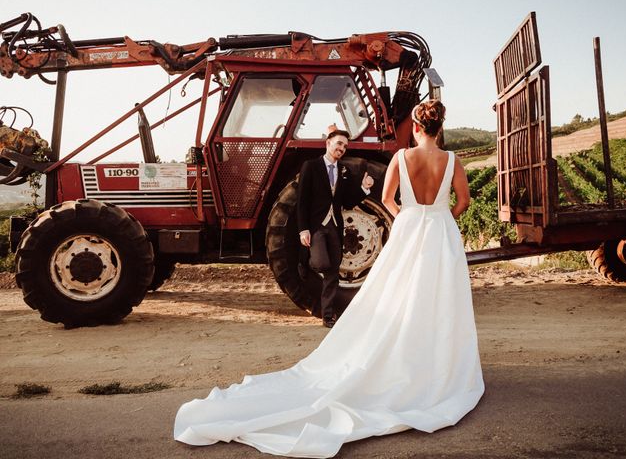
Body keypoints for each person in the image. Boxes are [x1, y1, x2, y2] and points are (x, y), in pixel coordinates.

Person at [174, 100, 484, 458]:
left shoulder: (401, 159)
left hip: (411, 228)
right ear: (439, 128)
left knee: (401, 296)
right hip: (440, 231)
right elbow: (463, 201)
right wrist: (440, 216)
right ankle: (436, 366)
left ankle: (403, 361)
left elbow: (387, 199)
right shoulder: (453, 162)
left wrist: (410, 216)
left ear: (415, 127)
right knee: (440, 298)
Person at [297, 125, 375, 328]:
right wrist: (303, 229)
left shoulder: (343, 170)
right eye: (339, 143)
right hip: (316, 226)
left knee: (332, 272)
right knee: (322, 263)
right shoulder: (311, 166)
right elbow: (302, 200)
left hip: (334, 226)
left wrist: (364, 189)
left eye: (345, 146)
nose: (342, 148)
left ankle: (328, 316)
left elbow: (347, 202)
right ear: (328, 143)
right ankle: (304, 261)